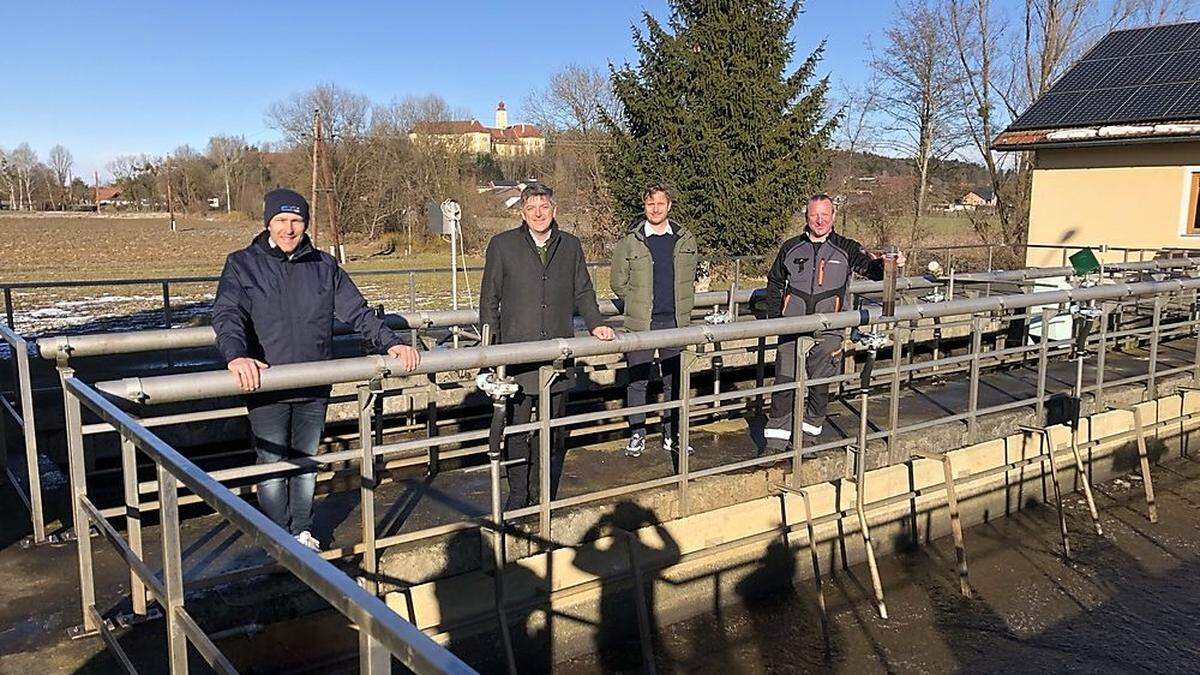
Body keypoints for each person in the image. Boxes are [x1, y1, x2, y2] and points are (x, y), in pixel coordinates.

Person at [212, 188, 420, 551]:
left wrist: (392, 342)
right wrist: (236, 355)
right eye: (281, 221)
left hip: (314, 381)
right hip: (266, 381)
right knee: (273, 461)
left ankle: (303, 529)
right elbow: (228, 314)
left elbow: (356, 312)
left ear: (306, 223)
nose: (289, 229)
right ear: (268, 223)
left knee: (306, 459)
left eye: (296, 221)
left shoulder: (324, 266)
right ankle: (279, 535)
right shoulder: (243, 264)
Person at [479, 183, 615, 509]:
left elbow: (583, 291)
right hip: (516, 356)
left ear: (554, 210)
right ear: (522, 213)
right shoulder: (502, 246)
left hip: (556, 355)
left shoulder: (569, 245)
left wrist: (595, 323)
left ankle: (542, 493)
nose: (538, 214)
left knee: (551, 430)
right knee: (516, 428)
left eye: (544, 207)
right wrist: (490, 349)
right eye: (532, 208)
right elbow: (489, 301)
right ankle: (518, 494)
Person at [761, 194, 904, 450]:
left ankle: (808, 438)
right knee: (784, 382)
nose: (819, 220)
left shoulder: (846, 248)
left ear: (833, 217)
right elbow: (774, 282)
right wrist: (775, 320)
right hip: (791, 328)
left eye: (824, 215)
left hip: (829, 331)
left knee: (818, 386)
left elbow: (870, 270)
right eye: (814, 215)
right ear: (806, 217)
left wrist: (886, 265)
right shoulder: (791, 247)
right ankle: (775, 442)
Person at [610, 184, 699, 457]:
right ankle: (637, 433)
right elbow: (617, 283)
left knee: (675, 382)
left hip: (675, 322)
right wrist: (638, 302)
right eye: (650, 204)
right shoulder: (630, 241)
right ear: (644, 206)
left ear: (669, 205)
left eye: (660, 203)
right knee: (638, 381)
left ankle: (673, 434)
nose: (656, 209)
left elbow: (689, 278)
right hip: (641, 324)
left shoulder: (685, 239)